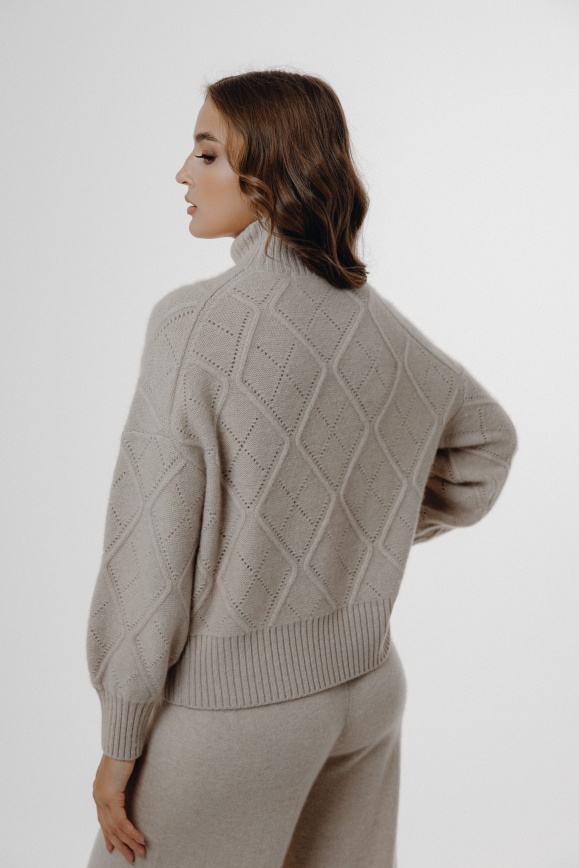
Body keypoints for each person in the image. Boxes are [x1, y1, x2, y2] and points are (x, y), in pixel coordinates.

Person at [85, 69, 518, 868]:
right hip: (367, 689)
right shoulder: (377, 325)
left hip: (236, 715)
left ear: (268, 172)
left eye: (206, 154)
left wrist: (121, 736)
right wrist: (352, 533)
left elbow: (151, 547)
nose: (182, 173)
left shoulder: (194, 325)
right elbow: (487, 445)